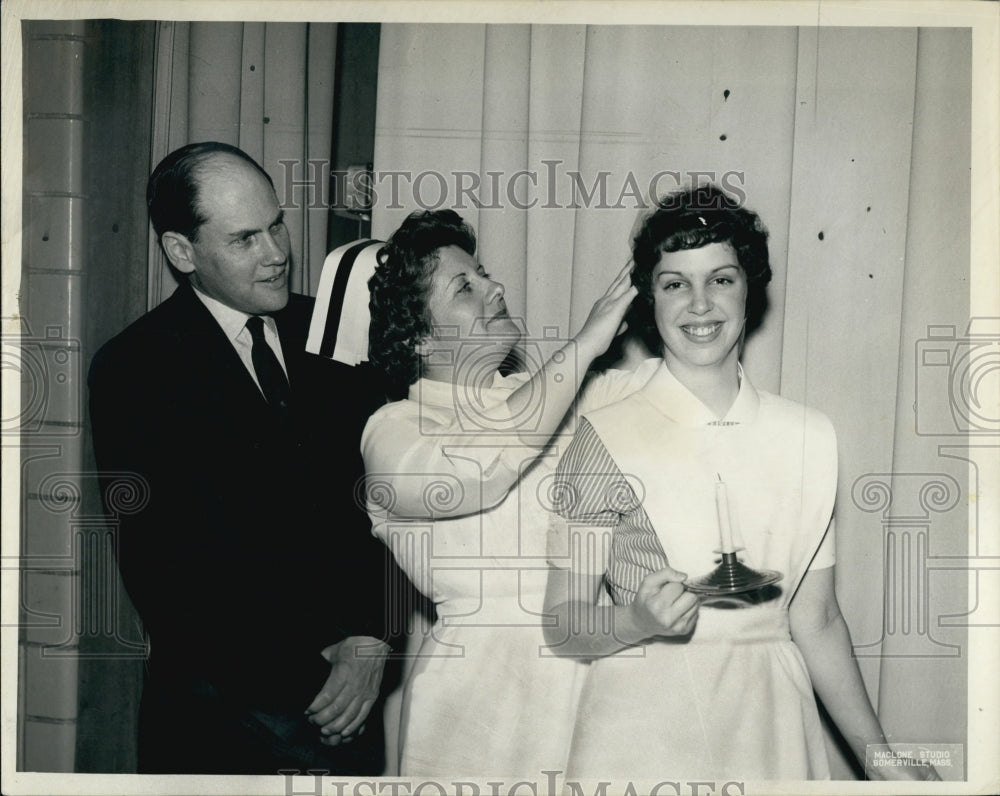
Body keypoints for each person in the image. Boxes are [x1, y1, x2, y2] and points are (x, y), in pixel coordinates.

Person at [544, 184, 940, 782]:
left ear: (749, 288)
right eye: (675, 284)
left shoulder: (808, 435)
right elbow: (563, 623)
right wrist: (635, 622)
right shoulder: (601, 436)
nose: (700, 304)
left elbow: (817, 619)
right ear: (649, 300)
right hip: (641, 733)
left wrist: (881, 762)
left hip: (771, 728)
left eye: (721, 279)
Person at [88, 141, 395, 775]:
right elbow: (166, 574)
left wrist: (372, 637)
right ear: (182, 252)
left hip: (355, 715)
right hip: (222, 726)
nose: (277, 253)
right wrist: (318, 676)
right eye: (245, 239)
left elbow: (392, 502)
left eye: (277, 225)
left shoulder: (334, 332)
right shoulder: (135, 369)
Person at [361, 209, 657, 778]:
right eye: (464, 287)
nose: (494, 288)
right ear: (420, 338)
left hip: (597, 680)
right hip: (477, 705)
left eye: (485, 274)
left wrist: (684, 288)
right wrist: (586, 343)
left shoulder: (562, 394)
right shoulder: (391, 431)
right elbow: (480, 469)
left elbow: (670, 394)